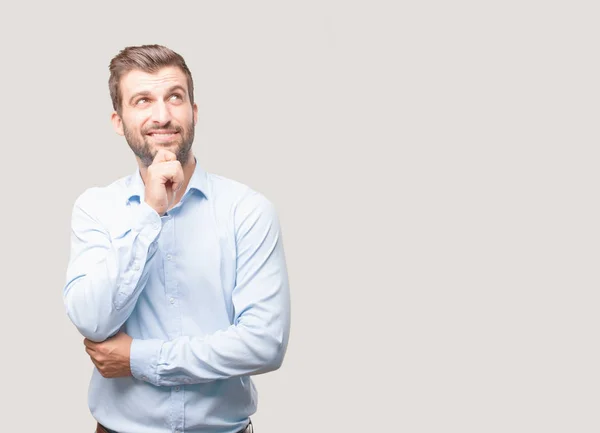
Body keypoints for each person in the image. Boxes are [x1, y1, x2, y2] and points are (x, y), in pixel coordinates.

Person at [62, 44, 291, 433]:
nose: (162, 115)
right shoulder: (95, 208)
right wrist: (150, 212)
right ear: (119, 121)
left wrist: (138, 358)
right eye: (143, 100)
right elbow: (93, 322)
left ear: (194, 112)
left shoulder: (248, 211)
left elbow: (264, 344)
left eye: (175, 97)